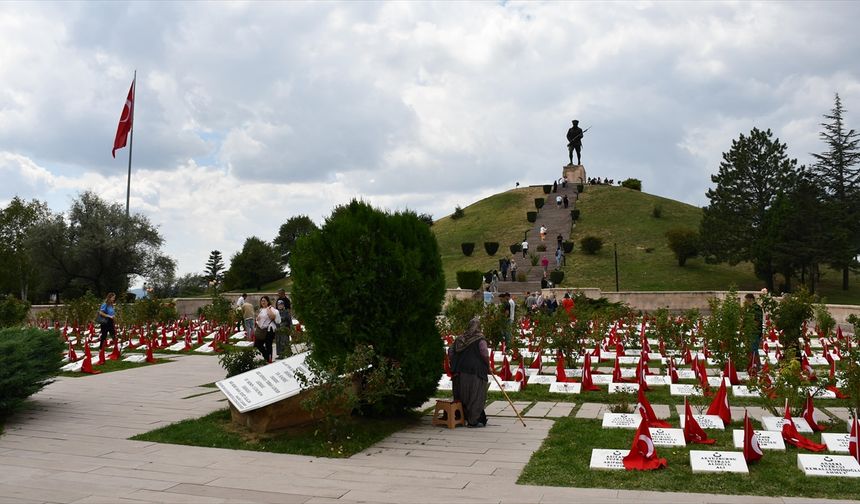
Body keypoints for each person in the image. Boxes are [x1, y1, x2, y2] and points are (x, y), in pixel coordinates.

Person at [448, 317, 489, 427]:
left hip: (459, 372)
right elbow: (484, 353)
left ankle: (460, 417)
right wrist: (487, 364)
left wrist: (455, 363)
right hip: (475, 372)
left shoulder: (459, 339)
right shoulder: (480, 339)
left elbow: (450, 352)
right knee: (475, 396)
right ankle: (473, 420)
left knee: (461, 395)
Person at [254, 295, 281, 362]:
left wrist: (268, 309)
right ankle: (267, 357)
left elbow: (272, 317)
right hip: (262, 330)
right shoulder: (261, 310)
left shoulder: (271, 309)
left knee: (268, 345)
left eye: (264, 301)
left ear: (268, 301)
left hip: (269, 330)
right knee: (258, 344)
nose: (263, 302)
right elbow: (259, 319)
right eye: (262, 301)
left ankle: (269, 360)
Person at [744, 293, 764, 370]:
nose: (746, 302)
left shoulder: (756, 308)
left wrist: (750, 328)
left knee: (754, 349)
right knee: (750, 349)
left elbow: (757, 321)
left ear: (750, 299)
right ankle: (750, 365)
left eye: (747, 300)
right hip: (750, 332)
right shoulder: (750, 308)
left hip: (755, 332)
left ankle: (758, 366)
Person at [275, 289, 292, 358]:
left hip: (285, 327)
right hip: (278, 327)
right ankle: (280, 354)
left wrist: (290, 327)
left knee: (285, 340)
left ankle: (288, 352)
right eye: (278, 304)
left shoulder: (287, 301)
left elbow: (289, 318)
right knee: (278, 341)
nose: (278, 294)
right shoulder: (276, 312)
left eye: (279, 293)